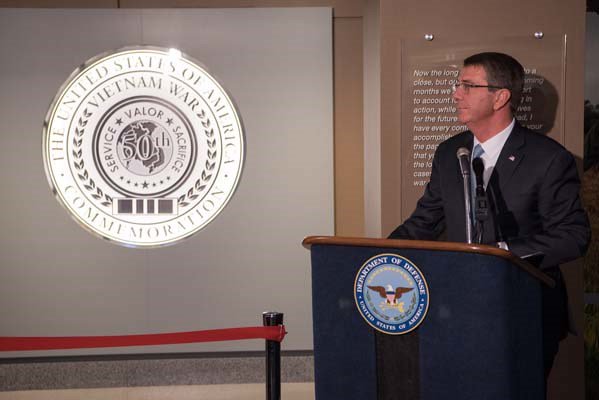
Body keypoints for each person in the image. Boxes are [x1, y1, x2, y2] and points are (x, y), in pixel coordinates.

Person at [389, 52, 591, 378]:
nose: (455, 94)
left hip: (525, 314)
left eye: (468, 86)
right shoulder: (449, 152)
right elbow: (424, 222)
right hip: (455, 312)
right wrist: (379, 256)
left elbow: (573, 236)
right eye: (458, 85)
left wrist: (503, 255)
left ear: (500, 97)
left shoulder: (549, 159)